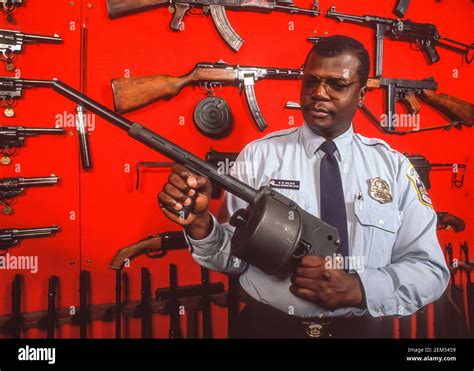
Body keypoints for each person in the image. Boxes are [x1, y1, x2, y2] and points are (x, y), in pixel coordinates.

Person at [158, 35, 450, 338]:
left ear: (361, 94)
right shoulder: (259, 155)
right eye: (311, 81)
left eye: (337, 85)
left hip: (361, 330)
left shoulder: (393, 168)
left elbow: (430, 271)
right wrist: (202, 226)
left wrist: (359, 287)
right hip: (267, 328)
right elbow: (232, 257)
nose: (319, 94)